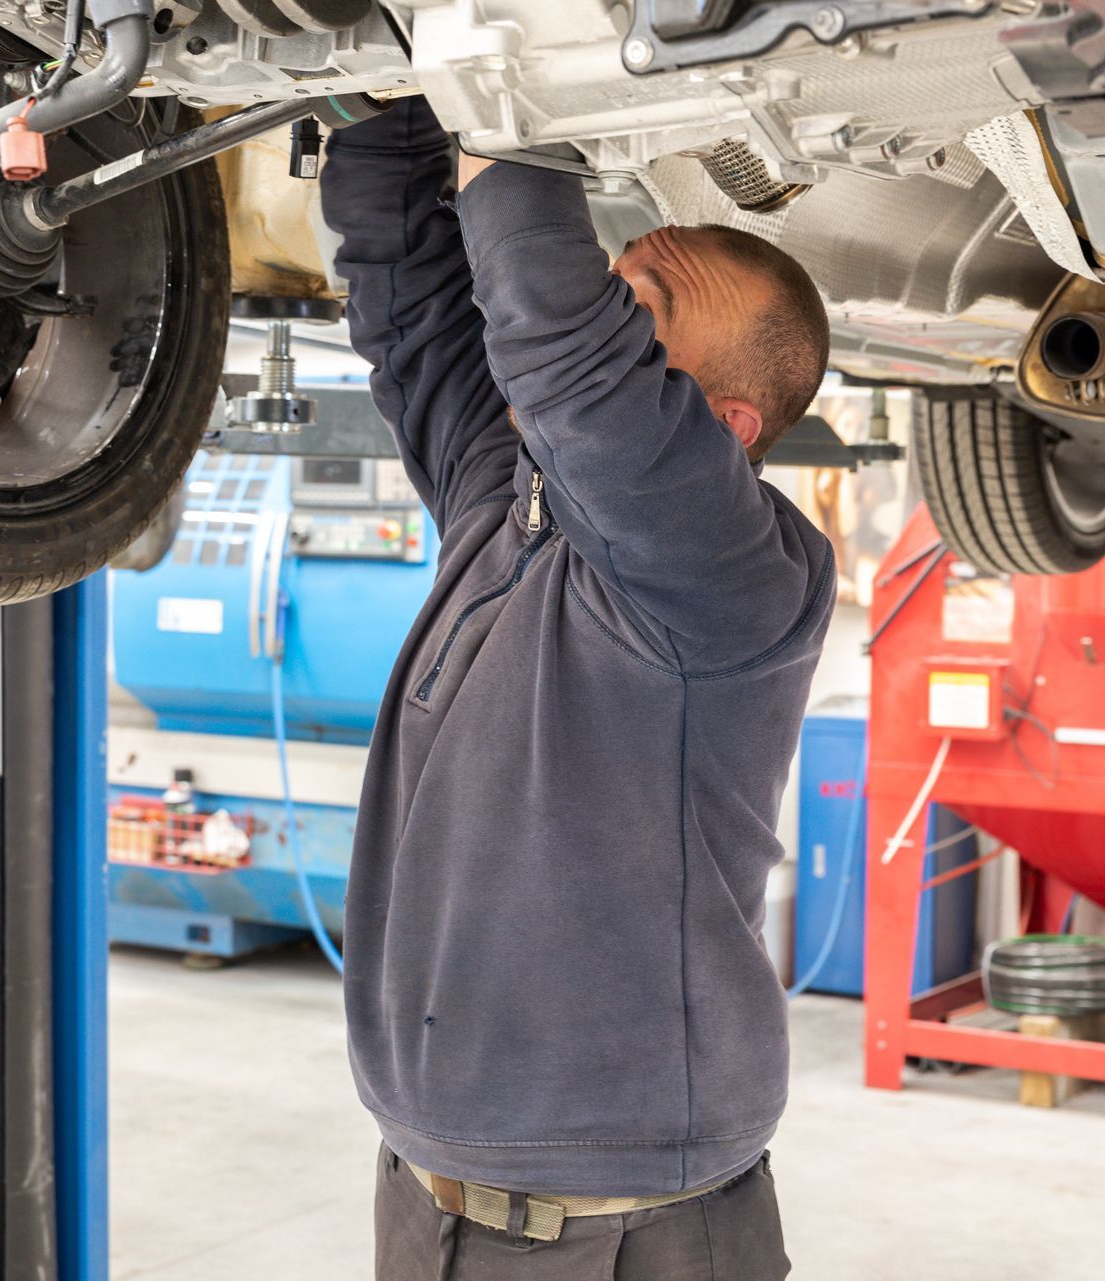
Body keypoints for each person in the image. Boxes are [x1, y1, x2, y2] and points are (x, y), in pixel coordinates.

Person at [322, 98, 836, 1280]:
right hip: (425, 1199)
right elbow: (410, 306)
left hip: (631, 1233)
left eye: (640, 309)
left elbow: (560, 345)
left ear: (720, 426)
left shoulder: (736, 575)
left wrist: (507, 90)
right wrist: (386, 93)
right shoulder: (502, 502)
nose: (602, 306)